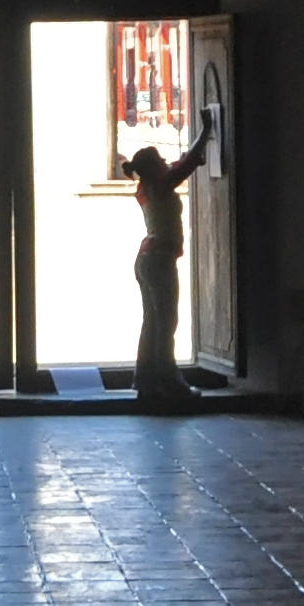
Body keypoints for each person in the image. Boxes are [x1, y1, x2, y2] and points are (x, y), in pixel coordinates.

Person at [117, 108, 218, 407]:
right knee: (167, 323)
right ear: (153, 168)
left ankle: (147, 381)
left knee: (152, 322)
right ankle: (169, 381)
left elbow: (181, 163)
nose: (165, 162)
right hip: (160, 260)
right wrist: (206, 128)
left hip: (146, 258)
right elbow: (187, 163)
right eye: (161, 160)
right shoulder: (160, 186)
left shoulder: (146, 187)